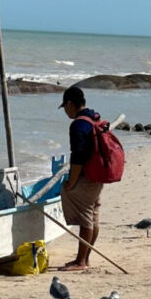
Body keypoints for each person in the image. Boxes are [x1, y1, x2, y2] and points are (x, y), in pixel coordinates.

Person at [58, 86, 103, 271]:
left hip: (86, 177)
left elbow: (78, 157)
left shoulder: (77, 124)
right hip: (98, 174)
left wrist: (71, 182)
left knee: (86, 219)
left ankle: (81, 261)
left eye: (65, 107)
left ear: (70, 103)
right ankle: (85, 258)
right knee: (93, 217)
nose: (66, 111)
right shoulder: (94, 117)